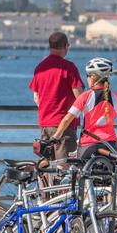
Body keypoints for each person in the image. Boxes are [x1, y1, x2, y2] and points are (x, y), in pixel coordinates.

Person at [52, 57, 117, 160]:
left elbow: (67, 119)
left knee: (82, 173)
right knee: (111, 174)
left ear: (92, 77)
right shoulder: (116, 97)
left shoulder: (85, 96)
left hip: (88, 145)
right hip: (111, 145)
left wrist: (56, 137)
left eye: (87, 76)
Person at [29, 32, 84, 160]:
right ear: (65, 46)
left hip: (44, 124)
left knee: (47, 167)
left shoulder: (40, 67)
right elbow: (80, 97)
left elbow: (36, 97)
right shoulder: (69, 67)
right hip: (64, 125)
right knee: (64, 168)